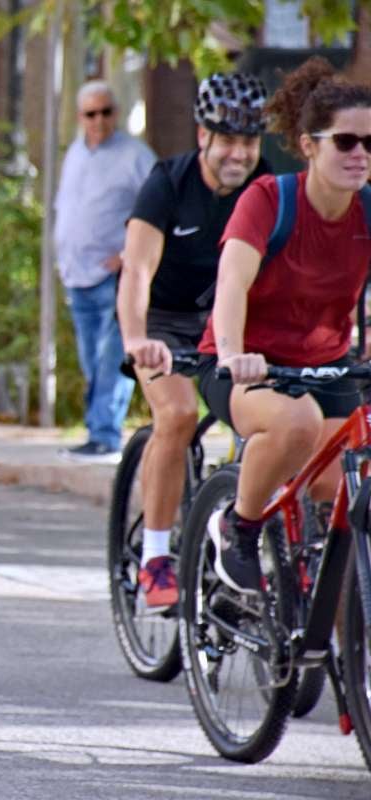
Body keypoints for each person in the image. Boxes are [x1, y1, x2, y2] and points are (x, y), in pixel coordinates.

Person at [196, 57, 371, 594]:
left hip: (329, 365)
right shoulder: (270, 199)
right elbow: (231, 286)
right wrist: (233, 353)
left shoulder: (369, 211)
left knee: (345, 490)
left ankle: (331, 631)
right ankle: (240, 528)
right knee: (295, 424)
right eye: (346, 142)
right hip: (249, 365)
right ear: (310, 144)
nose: (361, 154)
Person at [117, 73, 270, 610]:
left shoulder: (264, 188)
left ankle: (230, 522)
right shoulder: (168, 182)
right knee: (178, 415)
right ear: (203, 135)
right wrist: (137, 339)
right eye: (228, 139)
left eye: (249, 142)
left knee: (268, 419)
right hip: (161, 322)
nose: (239, 153)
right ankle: (156, 558)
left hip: (225, 325)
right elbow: (136, 271)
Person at [55, 80, 156, 462]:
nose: (98, 120)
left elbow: (156, 208)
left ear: (116, 113)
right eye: (90, 114)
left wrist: (129, 253)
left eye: (106, 112)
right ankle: (99, 430)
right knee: (90, 359)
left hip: (116, 276)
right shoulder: (75, 153)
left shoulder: (135, 155)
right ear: (80, 117)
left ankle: (105, 434)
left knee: (111, 357)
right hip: (77, 275)